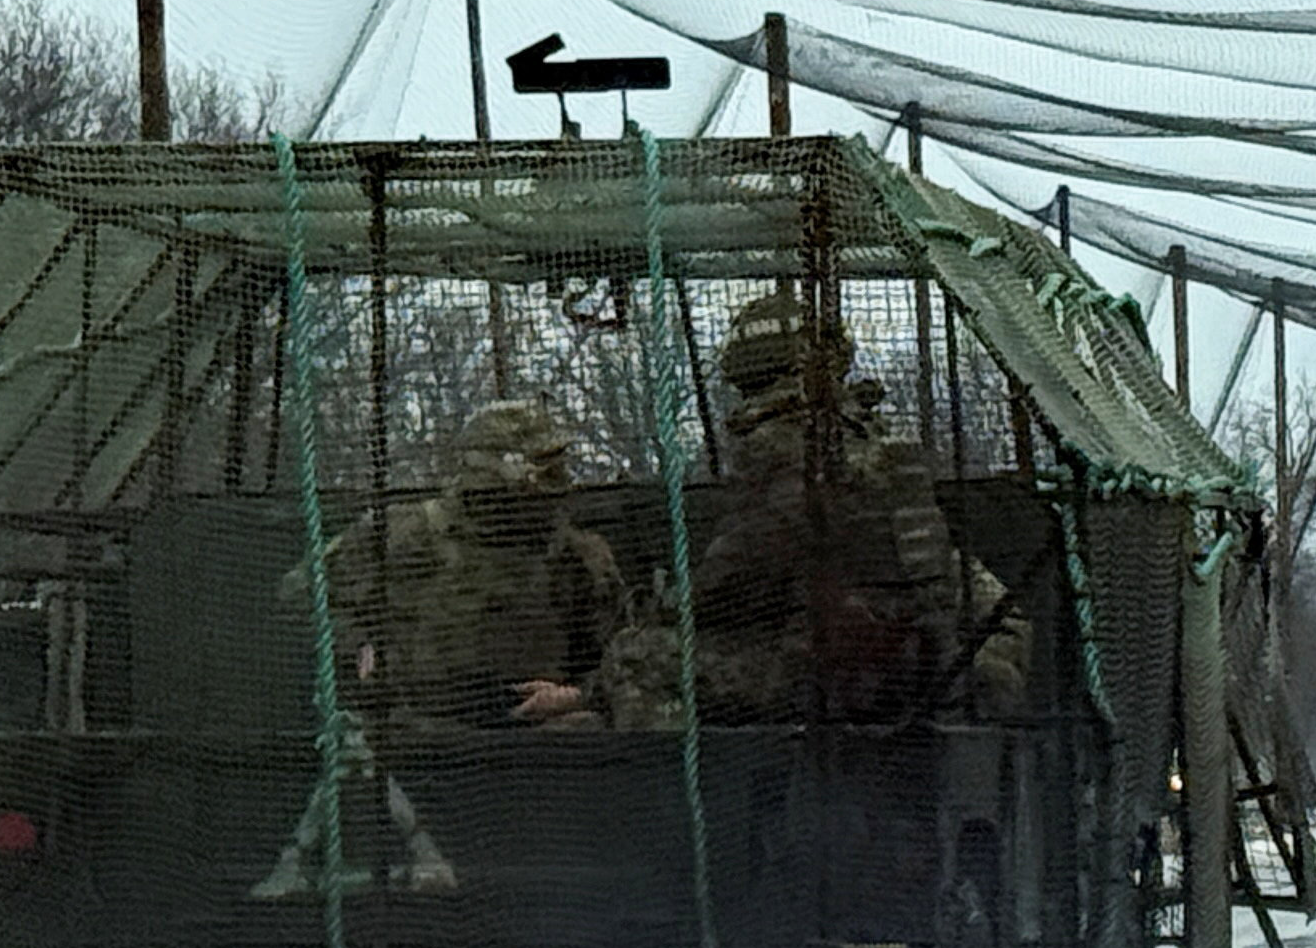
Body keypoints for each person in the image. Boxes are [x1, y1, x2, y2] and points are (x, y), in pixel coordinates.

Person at [685, 292, 1026, 723]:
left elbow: (739, 576)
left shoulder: (777, 442)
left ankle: (664, 791)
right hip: (926, 655)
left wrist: (673, 608)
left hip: (832, 668)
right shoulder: (876, 436)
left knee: (640, 657)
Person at [344, 399, 628, 735]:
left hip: (539, 737)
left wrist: (578, 695)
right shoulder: (404, 535)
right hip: (412, 732)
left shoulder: (577, 555)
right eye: (543, 465)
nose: (558, 478)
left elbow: (620, 656)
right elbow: (306, 601)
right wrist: (356, 648)